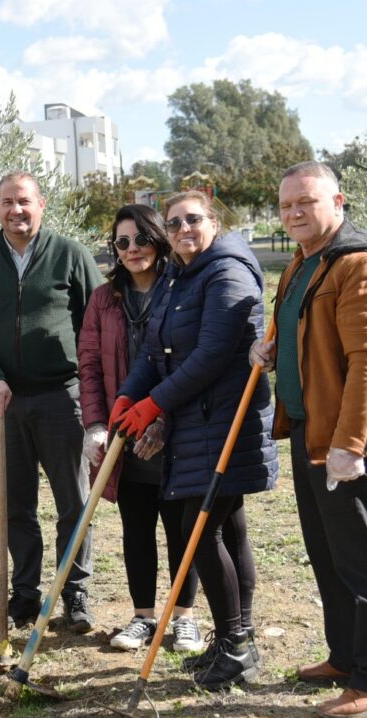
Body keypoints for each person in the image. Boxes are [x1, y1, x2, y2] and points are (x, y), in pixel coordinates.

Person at [250, 161, 367, 718]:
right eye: (286, 205)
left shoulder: (360, 266)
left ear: (337, 201)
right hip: (308, 429)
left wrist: (352, 446)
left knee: (363, 557)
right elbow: (300, 331)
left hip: (345, 443)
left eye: (305, 203)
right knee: (328, 552)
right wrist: (269, 352)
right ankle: (345, 655)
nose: (293, 213)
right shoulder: (303, 263)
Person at [110, 190, 277, 690]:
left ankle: (234, 645)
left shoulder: (227, 272)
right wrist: (128, 395)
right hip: (197, 424)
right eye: (175, 222)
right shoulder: (180, 277)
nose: (184, 228)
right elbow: (153, 352)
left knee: (200, 531)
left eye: (194, 219)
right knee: (228, 528)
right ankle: (237, 641)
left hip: (224, 423)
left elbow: (209, 356)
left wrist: (153, 404)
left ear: (214, 222)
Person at [0, 170, 103, 630]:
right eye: (7, 202)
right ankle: (24, 594)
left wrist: (91, 383)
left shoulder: (71, 255)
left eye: (24, 201)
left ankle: (74, 592)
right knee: (15, 504)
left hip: (64, 397)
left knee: (73, 502)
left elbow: (98, 321)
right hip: (7, 401)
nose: (15, 210)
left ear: (41, 204)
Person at [78, 204, 203, 653]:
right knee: (135, 525)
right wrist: (95, 424)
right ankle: (143, 617)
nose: (132, 250)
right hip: (123, 431)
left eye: (141, 239)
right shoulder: (103, 299)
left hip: (175, 431)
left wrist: (165, 420)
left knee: (180, 527)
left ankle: (184, 617)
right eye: (122, 242)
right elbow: (89, 365)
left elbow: (191, 362)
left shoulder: (181, 290)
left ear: (158, 239)